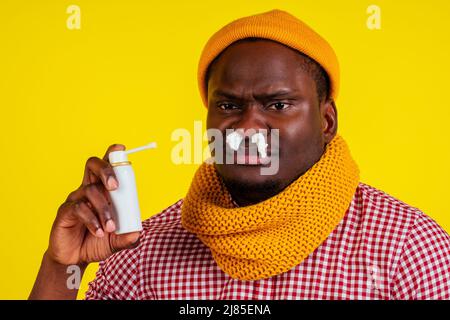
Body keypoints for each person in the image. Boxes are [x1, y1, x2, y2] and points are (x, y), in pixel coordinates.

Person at [29, 9, 450, 300]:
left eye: (278, 104)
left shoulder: (406, 250)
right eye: (229, 106)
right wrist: (61, 265)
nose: (247, 128)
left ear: (326, 121)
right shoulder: (145, 251)